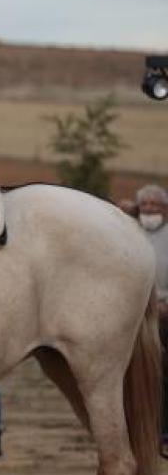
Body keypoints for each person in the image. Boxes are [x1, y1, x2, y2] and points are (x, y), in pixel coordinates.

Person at [135, 183, 168, 449]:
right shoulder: (129, 231)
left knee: (163, 372)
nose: (149, 210)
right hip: (135, 316)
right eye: (145, 205)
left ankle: (163, 427)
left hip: (165, 315)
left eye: (155, 205)